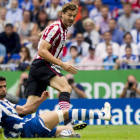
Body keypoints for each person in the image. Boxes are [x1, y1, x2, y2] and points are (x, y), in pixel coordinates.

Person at [25, 2, 87, 130]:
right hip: (42, 64)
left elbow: (40, 35)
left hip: (37, 66)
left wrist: (47, 34)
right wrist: (61, 64)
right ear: (62, 14)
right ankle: (68, 123)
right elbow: (41, 51)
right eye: (69, 15)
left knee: (29, 108)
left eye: (74, 16)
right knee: (65, 87)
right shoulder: (57, 28)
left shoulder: (60, 27)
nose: (71, 18)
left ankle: (8, 125)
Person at [0, 76, 111, 138]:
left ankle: (64, 134)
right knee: (65, 113)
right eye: (1, 87)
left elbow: (26, 109)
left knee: (69, 128)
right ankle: (103, 115)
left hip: (26, 132)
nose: (4, 89)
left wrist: (41, 100)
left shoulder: (5, 101)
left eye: (5, 86)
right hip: (29, 126)